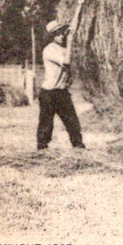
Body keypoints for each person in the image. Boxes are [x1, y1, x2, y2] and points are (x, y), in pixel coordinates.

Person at [37, 19, 85, 150]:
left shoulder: (63, 48)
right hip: (49, 92)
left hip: (62, 92)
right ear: (52, 36)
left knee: (73, 123)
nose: (62, 35)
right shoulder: (49, 50)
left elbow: (73, 27)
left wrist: (80, 5)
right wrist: (70, 42)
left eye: (62, 32)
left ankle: (79, 149)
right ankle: (42, 150)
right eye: (58, 33)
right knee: (46, 125)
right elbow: (67, 62)